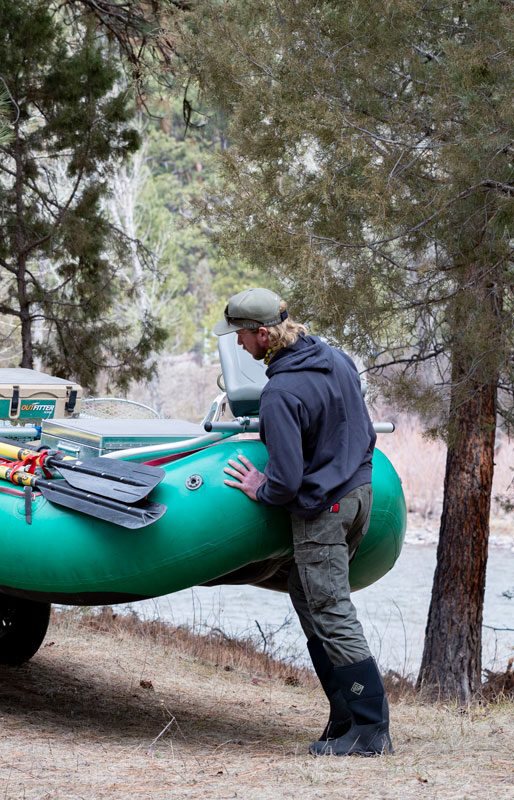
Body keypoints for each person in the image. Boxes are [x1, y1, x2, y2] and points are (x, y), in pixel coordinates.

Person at [215, 287, 392, 757]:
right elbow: (364, 429)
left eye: (240, 336)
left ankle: (371, 730)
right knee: (306, 592)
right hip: (359, 496)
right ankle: (346, 713)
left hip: (324, 512)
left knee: (332, 612)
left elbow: (287, 479)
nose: (238, 345)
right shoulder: (337, 359)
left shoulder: (281, 393)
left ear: (262, 333)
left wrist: (261, 487)